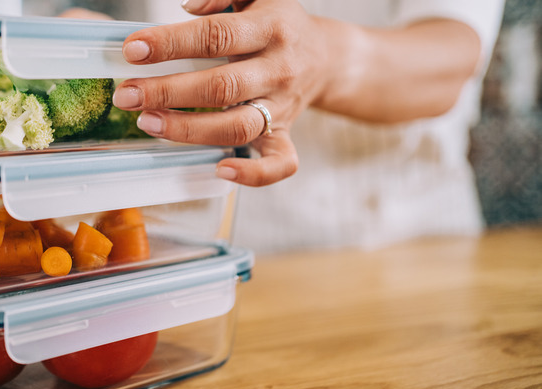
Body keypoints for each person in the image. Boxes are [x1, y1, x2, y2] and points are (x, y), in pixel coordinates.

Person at [70, 0, 506, 251]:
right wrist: (103, 44)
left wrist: (324, 60)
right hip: (194, 244)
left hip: (404, 249)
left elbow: (453, 56)